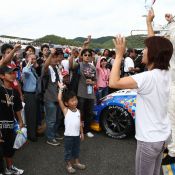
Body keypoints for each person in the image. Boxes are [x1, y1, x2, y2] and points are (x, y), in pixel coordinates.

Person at [109, 24, 173, 175]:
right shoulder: (166, 72)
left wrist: (119, 55)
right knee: (155, 172)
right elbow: (155, 43)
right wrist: (149, 22)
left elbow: (113, 82)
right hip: (161, 137)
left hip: (148, 140)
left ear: (152, 54)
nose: (142, 51)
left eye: (145, 48)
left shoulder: (147, 77)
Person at [0, 65, 24, 175]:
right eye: (10, 73)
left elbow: (18, 108)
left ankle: (10, 168)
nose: (13, 75)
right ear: (2, 76)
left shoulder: (14, 92)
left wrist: (20, 121)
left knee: (9, 148)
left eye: (14, 73)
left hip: (11, 124)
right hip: (1, 124)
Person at [57, 82, 85, 174]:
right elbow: (59, 99)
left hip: (77, 135)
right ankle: (68, 164)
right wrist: (61, 88)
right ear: (66, 103)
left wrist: (81, 133)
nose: (75, 102)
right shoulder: (66, 111)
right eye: (72, 100)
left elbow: (80, 123)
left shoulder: (78, 111)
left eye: (75, 99)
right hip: (68, 136)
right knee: (68, 151)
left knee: (76, 149)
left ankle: (76, 162)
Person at [22, 53, 38, 142]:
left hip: (34, 94)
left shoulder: (33, 69)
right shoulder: (26, 69)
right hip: (29, 95)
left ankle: (33, 132)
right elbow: (25, 71)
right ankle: (31, 135)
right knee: (30, 116)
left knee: (34, 115)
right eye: (31, 59)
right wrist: (28, 63)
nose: (33, 60)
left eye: (34, 59)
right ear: (26, 59)